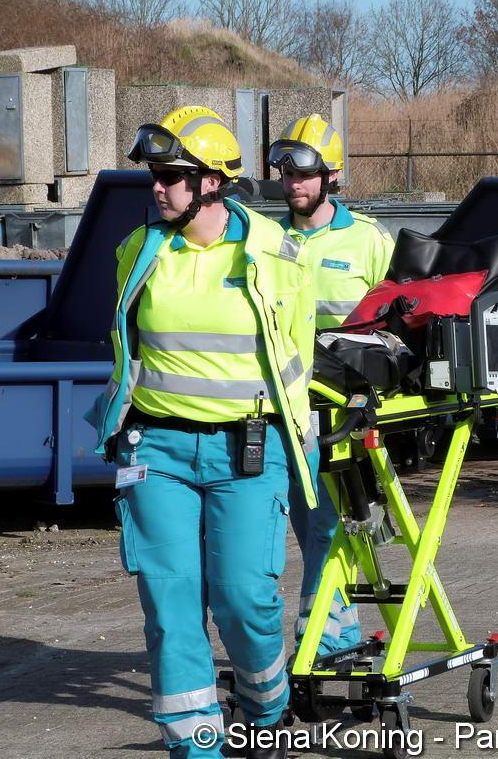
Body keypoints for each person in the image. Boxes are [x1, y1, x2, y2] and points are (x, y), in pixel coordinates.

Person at [88, 106, 317, 759]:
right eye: (155, 176)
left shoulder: (277, 254)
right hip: (154, 450)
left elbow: (296, 357)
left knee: (244, 599)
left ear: (212, 182)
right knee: (171, 607)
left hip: (248, 450)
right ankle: (198, 748)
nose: (157, 188)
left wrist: (298, 438)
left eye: (171, 176)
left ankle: (266, 707)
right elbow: (127, 349)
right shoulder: (138, 252)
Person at [267, 114, 395, 656]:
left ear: (332, 175)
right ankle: (333, 630)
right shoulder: (269, 240)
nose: (293, 184)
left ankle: (324, 636)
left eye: (304, 173)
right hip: (290, 405)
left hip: (351, 411)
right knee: (313, 525)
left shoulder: (369, 240)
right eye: (286, 174)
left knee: (333, 524)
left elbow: (399, 326)